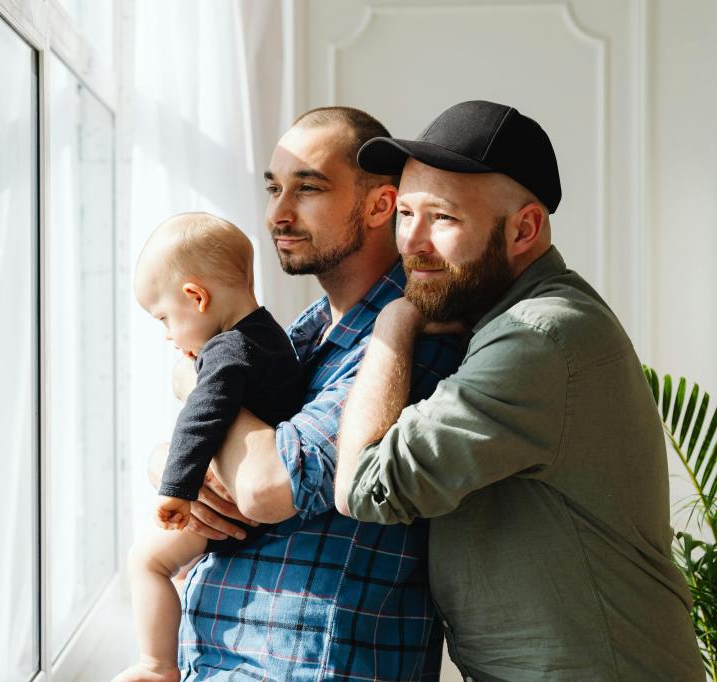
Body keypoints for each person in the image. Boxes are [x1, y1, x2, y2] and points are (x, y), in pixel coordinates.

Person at [336, 100, 703, 681]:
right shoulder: (502, 320)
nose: (413, 241)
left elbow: (365, 486)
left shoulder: (539, 337)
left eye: (444, 218)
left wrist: (392, 326)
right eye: (405, 212)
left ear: (524, 228)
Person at [146, 108, 465, 680]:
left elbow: (266, 485)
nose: (277, 214)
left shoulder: (406, 341)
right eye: (273, 188)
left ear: (378, 205)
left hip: (302, 667)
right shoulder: (307, 330)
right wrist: (177, 471)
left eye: (307, 188)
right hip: (224, 660)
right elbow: (217, 441)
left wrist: (195, 386)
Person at [115, 212, 303, 682]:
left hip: (244, 507)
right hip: (259, 510)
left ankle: (156, 666)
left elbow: (204, 416)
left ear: (195, 297)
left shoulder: (226, 350)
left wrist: (176, 488)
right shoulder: (274, 339)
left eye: (165, 320)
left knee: (147, 561)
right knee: (174, 565)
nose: (167, 336)